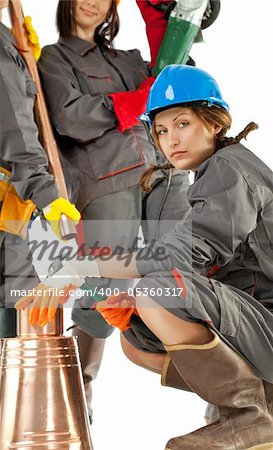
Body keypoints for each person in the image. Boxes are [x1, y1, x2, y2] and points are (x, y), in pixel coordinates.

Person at [17, 64, 273, 450]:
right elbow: (189, 260)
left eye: (182, 123)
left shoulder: (229, 168)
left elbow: (183, 256)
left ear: (214, 122)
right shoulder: (214, 174)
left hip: (265, 321)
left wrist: (78, 265)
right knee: (135, 336)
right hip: (255, 325)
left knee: (156, 291)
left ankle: (248, 418)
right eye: (162, 130)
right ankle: (261, 404)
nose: (171, 139)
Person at [37, 0, 190, 422]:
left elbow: (176, 84)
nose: (92, 2)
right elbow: (69, 119)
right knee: (101, 285)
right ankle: (79, 393)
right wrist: (127, 102)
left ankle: (218, 385)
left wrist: (172, 27)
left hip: (163, 171)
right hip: (104, 179)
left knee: (183, 271)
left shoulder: (130, 59)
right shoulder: (54, 57)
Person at [0, 0, 80, 339]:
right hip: (11, 199)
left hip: (12, 204)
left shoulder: (7, 41)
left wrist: (24, 59)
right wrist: (47, 195)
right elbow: (15, 131)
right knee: (14, 321)